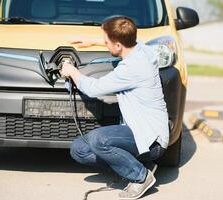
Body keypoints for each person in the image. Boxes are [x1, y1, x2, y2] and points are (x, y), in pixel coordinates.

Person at [60, 16, 169, 200]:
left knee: (98, 140)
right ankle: (137, 165)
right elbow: (128, 41)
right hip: (138, 132)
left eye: (106, 41)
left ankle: (140, 176)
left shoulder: (131, 68)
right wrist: (95, 42)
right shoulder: (144, 50)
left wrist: (71, 71)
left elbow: (93, 89)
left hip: (151, 139)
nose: (105, 44)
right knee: (78, 149)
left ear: (118, 45)